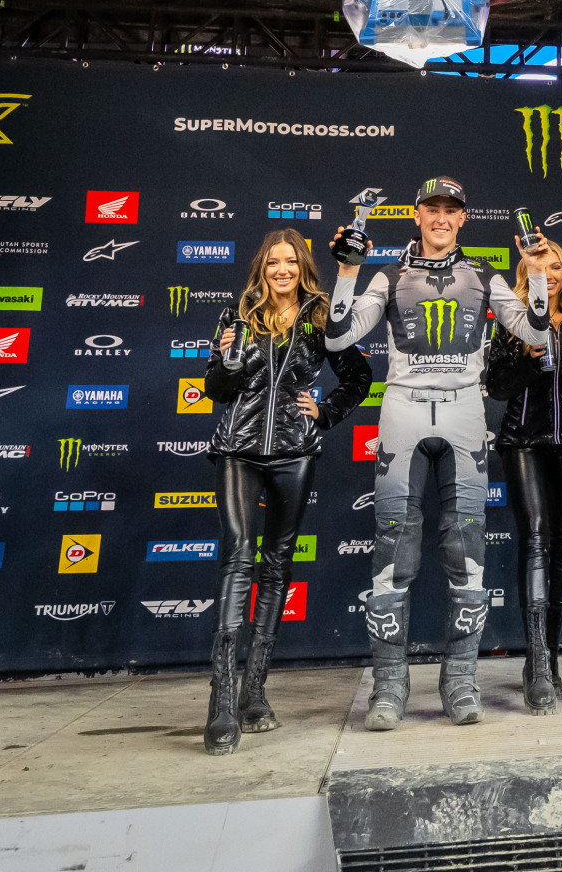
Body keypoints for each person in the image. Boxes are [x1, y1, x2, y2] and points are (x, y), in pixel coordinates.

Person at [326, 177, 551, 729]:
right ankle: (389, 687)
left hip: (463, 410)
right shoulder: (387, 273)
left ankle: (460, 681)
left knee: (465, 544)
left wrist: (540, 270)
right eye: (433, 209)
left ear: (464, 219)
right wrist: (348, 272)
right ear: (418, 214)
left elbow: (539, 333)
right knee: (393, 544)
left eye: (452, 210)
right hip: (402, 407)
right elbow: (337, 337)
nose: (442, 218)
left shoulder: (485, 276)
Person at [198, 229, 373, 753]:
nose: (282, 271)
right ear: (262, 268)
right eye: (273, 262)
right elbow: (216, 389)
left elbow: (359, 375)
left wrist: (326, 411)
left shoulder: (322, 315)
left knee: (276, 565)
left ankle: (255, 691)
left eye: (290, 262)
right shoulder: (238, 314)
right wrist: (227, 361)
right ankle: (222, 700)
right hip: (237, 449)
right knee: (238, 558)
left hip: (294, 454)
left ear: (303, 268)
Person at [484, 233, 562, 714]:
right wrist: (528, 360)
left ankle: (549, 656)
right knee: (533, 540)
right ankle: (534, 663)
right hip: (522, 442)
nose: (548, 275)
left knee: (561, 544)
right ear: (525, 273)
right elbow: (496, 386)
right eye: (538, 267)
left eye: (555, 267)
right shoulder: (510, 318)